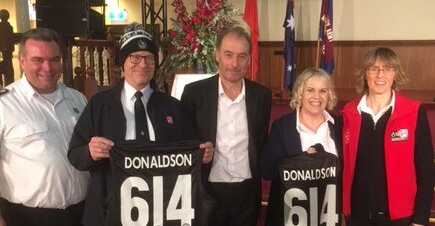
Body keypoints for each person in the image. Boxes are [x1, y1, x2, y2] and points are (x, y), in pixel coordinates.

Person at [67, 22, 214, 226]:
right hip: (109, 211)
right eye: (135, 57)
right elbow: (75, 155)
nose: (143, 64)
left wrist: (203, 156)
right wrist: (90, 152)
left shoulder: (173, 107)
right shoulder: (99, 105)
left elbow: (191, 153)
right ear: (123, 62)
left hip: (162, 213)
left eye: (149, 58)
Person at [180, 26, 272, 226]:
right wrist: (197, 152)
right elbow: (182, 142)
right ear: (217, 55)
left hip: (247, 193)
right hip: (207, 190)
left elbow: (261, 140)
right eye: (228, 55)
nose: (234, 63)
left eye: (241, 56)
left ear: (249, 59)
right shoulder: (194, 94)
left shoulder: (261, 96)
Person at [0, 27, 89, 226]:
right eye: (38, 60)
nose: (48, 68)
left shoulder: (77, 99)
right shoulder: (4, 105)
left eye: (54, 59)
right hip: (27, 218)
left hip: (81, 214)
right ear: (22, 61)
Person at [341, 47, 434, 226]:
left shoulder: (413, 111)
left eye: (387, 68)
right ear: (365, 73)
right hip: (357, 215)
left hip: (399, 217)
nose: (380, 75)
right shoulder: (349, 113)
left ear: (395, 74)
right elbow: (343, 165)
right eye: (374, 68)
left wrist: (421, 219)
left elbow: (427, 170)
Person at [260, 67, 342, 226]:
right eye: (310, 90)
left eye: (323, 91)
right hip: (291, 217)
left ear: (329, 95)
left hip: (329, 217)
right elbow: (267, 170)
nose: (317, 97)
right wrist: (300, 161)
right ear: (300, 93)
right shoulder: (283, 127)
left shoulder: (338, 125)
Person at [0, 9, 15, 86]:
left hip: (7, 55)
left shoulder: (8, 27)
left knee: (9, 77)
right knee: (9, 77)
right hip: (7, 56)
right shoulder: (9, 27)